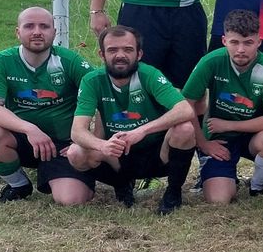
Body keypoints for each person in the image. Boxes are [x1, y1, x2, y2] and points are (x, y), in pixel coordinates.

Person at [66, 26, 200, 213]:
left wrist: (142, 130)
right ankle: (121, 184)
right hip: (118, 152)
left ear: (139, 54)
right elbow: (77, 131)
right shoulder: (92, 80)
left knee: (185, 129)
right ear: (102, 54)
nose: (120, 55)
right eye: (112, 50)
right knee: (76, 153)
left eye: (128, 50)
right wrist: (101, 145)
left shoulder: (149, 74)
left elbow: (185, 110)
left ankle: (173, 192)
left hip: (157, 152)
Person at [0, 7, 96, 204]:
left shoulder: (69, 61)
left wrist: (88, 141)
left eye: (44, 26)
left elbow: (101, 95)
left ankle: (60, 174)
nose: (37, 32)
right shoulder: (1, 61)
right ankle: (18, 184)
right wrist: (29, 129)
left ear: (54, 32)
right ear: (18, 32)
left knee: (72, 200)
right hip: (24, 139)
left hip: (63, 144)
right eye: (29, 26)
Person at [180, 10, 263, 203]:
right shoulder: (211, 61)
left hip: (253, 134)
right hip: (219, 139)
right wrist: (203, 142)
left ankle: (258, 187)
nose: (241, 50)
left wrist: (228, 125)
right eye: (234, 42)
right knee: (219, 200)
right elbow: (186, 105)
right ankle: (222, 176)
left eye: (248, 43)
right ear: (224, 41)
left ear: (259, 42)